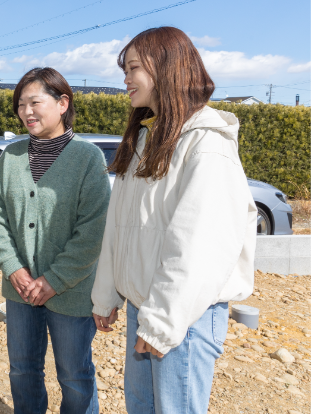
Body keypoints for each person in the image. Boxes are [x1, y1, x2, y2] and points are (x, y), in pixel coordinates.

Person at [91, 27, 256, 414]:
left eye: (133, 68)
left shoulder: (206, 143)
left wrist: (163, 321)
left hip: (186, 317)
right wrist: (106, 294)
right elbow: (119, 225)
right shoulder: (150, 140)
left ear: (165, 68)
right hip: (146, 308)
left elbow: (200, 244)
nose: (126, 79)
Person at [0, 67, 111, 414]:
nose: (26, 111)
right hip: (20, 289)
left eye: (35, 102)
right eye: (21, 104)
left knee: (74, 374)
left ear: (62, 103)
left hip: (71, 292)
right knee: (23, 370)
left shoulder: (88, 159)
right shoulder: (9, 158)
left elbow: (93, 231)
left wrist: (53, 280)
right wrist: (13, 268)